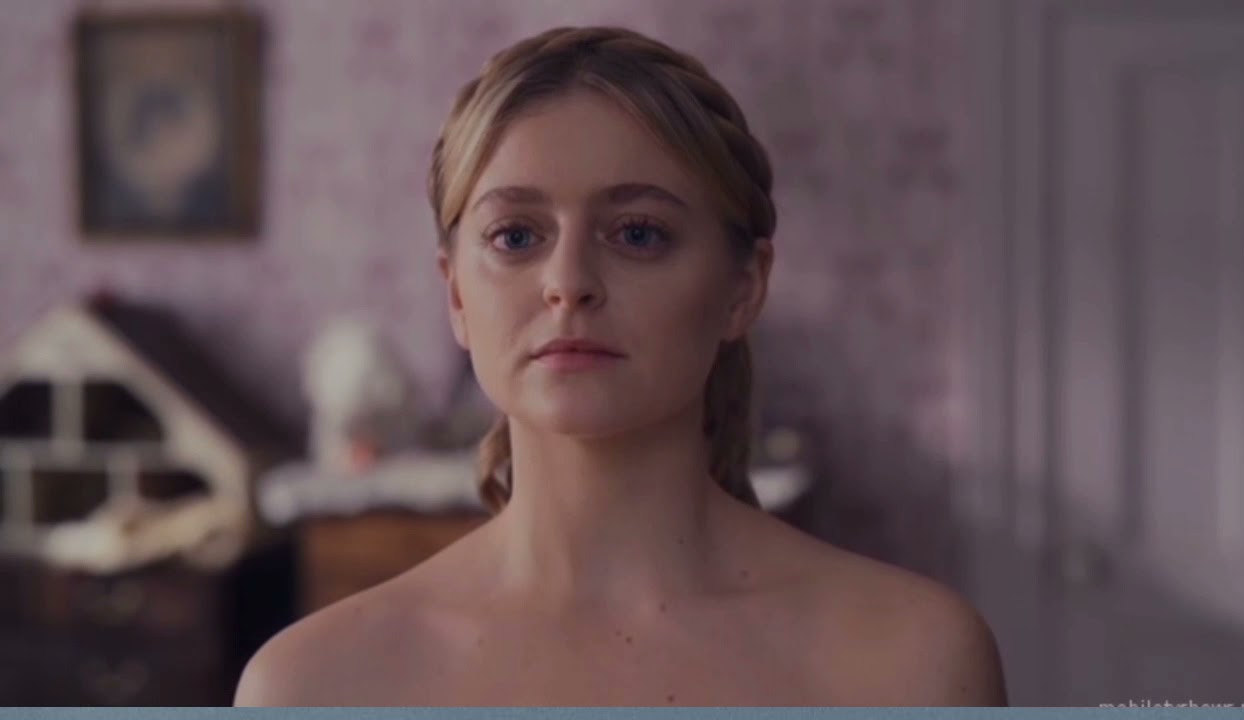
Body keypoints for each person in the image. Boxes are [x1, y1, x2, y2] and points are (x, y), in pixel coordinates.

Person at [235, 25, 1007, 707]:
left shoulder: (914, 662)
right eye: (515, 236)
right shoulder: (312, 686)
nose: (568, 282)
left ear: (743, 288)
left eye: (638, 233)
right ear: (457, 295)